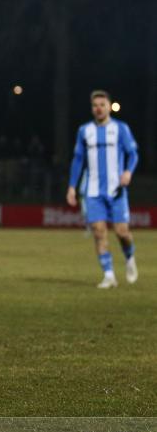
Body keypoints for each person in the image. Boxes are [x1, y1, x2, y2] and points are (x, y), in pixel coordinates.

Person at [67, 90, 139, 288]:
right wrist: (72, 187)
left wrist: (128, 172)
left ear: (109, 106)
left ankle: (130, 258)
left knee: (122, 232)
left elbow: (133, 155)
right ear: (92, 108)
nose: (98, 108)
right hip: (93, 192)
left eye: (102, 104)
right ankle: (109, 275)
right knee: (99, 232)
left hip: (116, 190)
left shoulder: (121, 129)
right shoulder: (84, 131)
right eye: (95, 105)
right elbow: (78, 160)